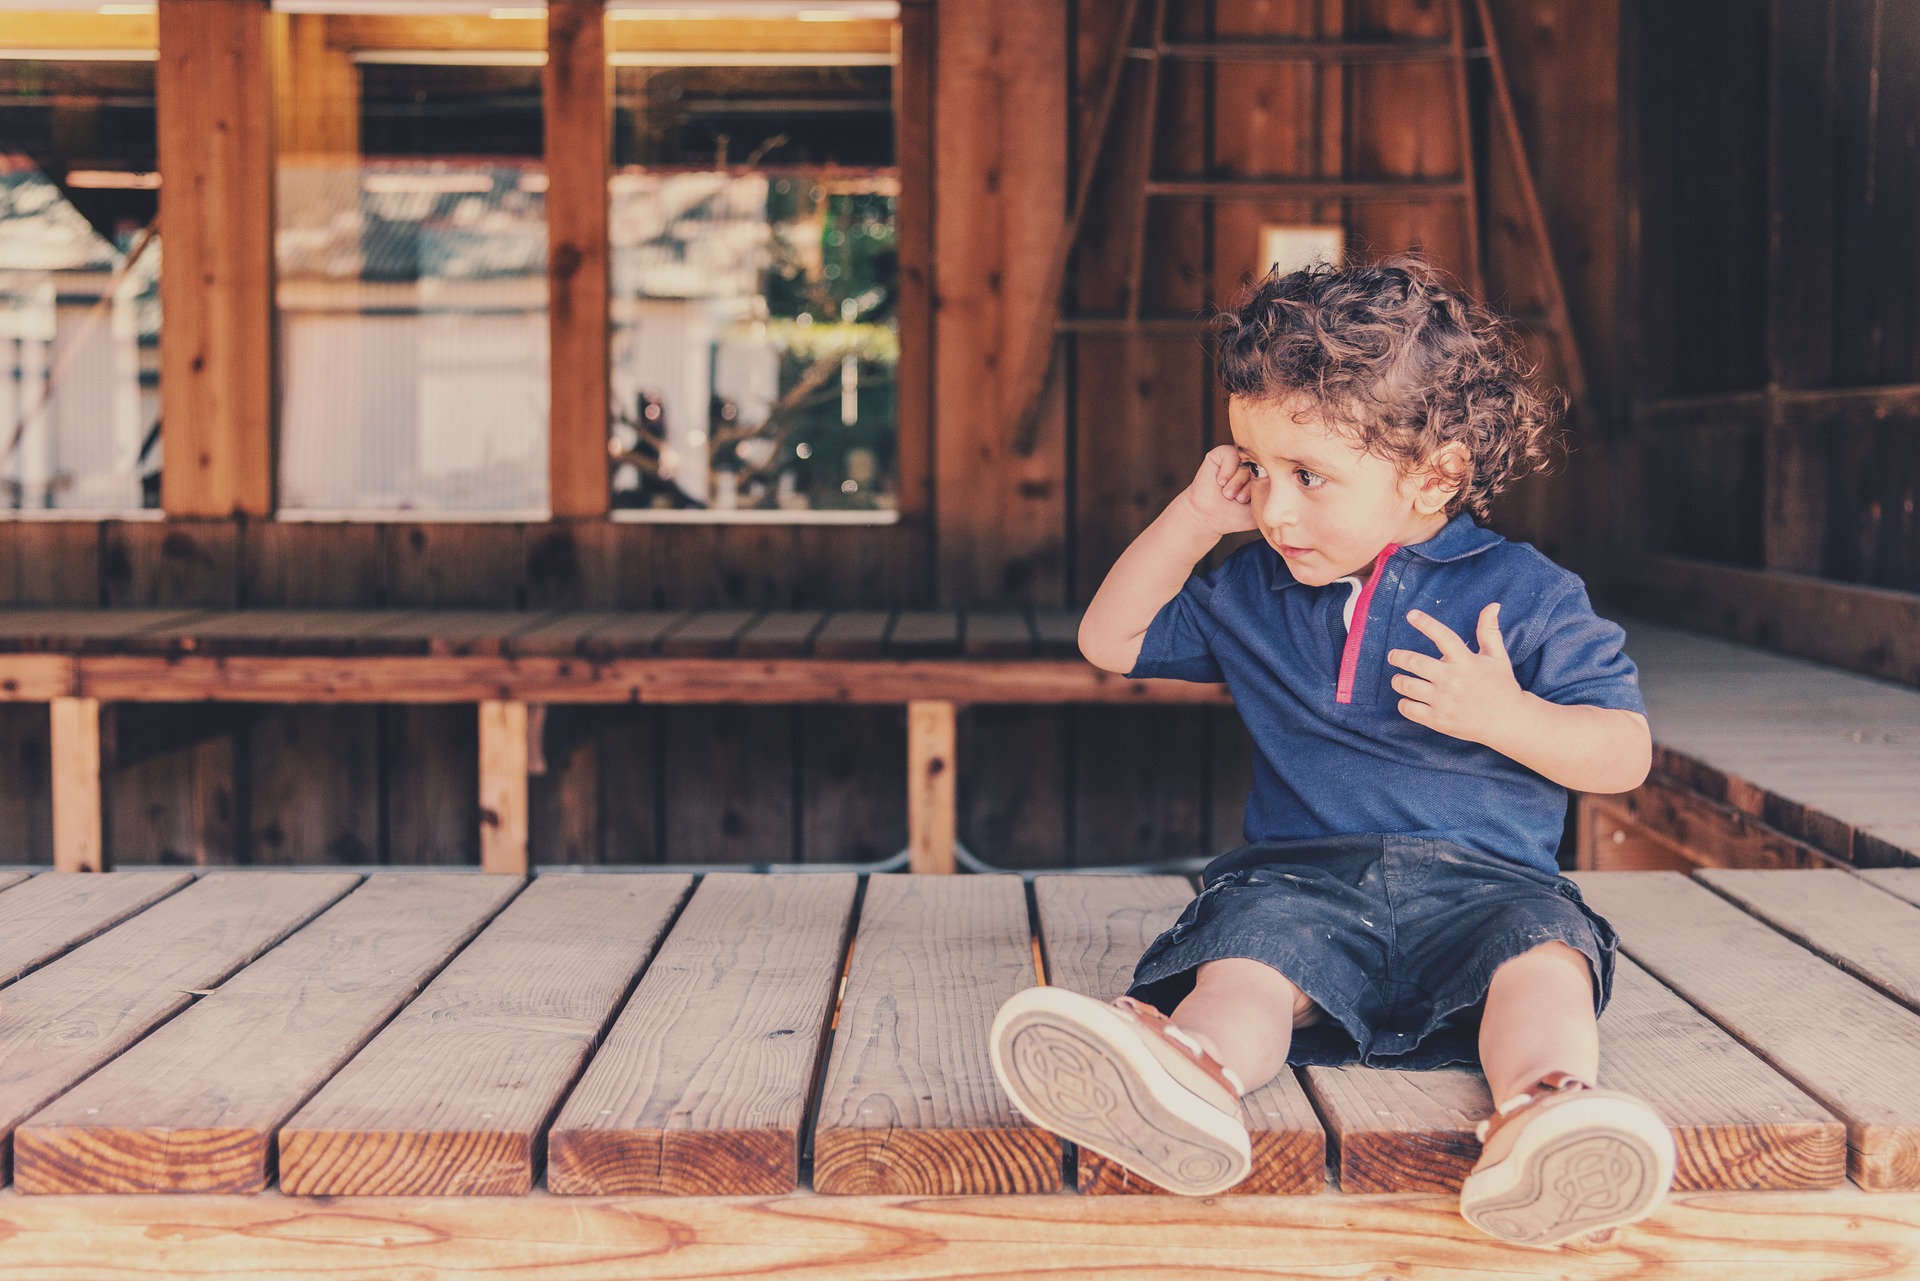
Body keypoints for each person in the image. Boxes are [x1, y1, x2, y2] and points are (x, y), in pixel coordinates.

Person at [988, 255, 1676, 1249]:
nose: (1273, 510)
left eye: (1309, 477)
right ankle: (1191, 1080)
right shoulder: (1256, 591)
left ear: (1433, 475)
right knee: (1247, 964)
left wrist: (1505, 715)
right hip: (1302, 886)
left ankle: (1546, 1117)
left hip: (1488, 891)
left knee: (1547, 959)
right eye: (1256, 470)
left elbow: (1624, 755)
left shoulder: (1529, 594)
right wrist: (1192, 520)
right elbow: (1111, 641)